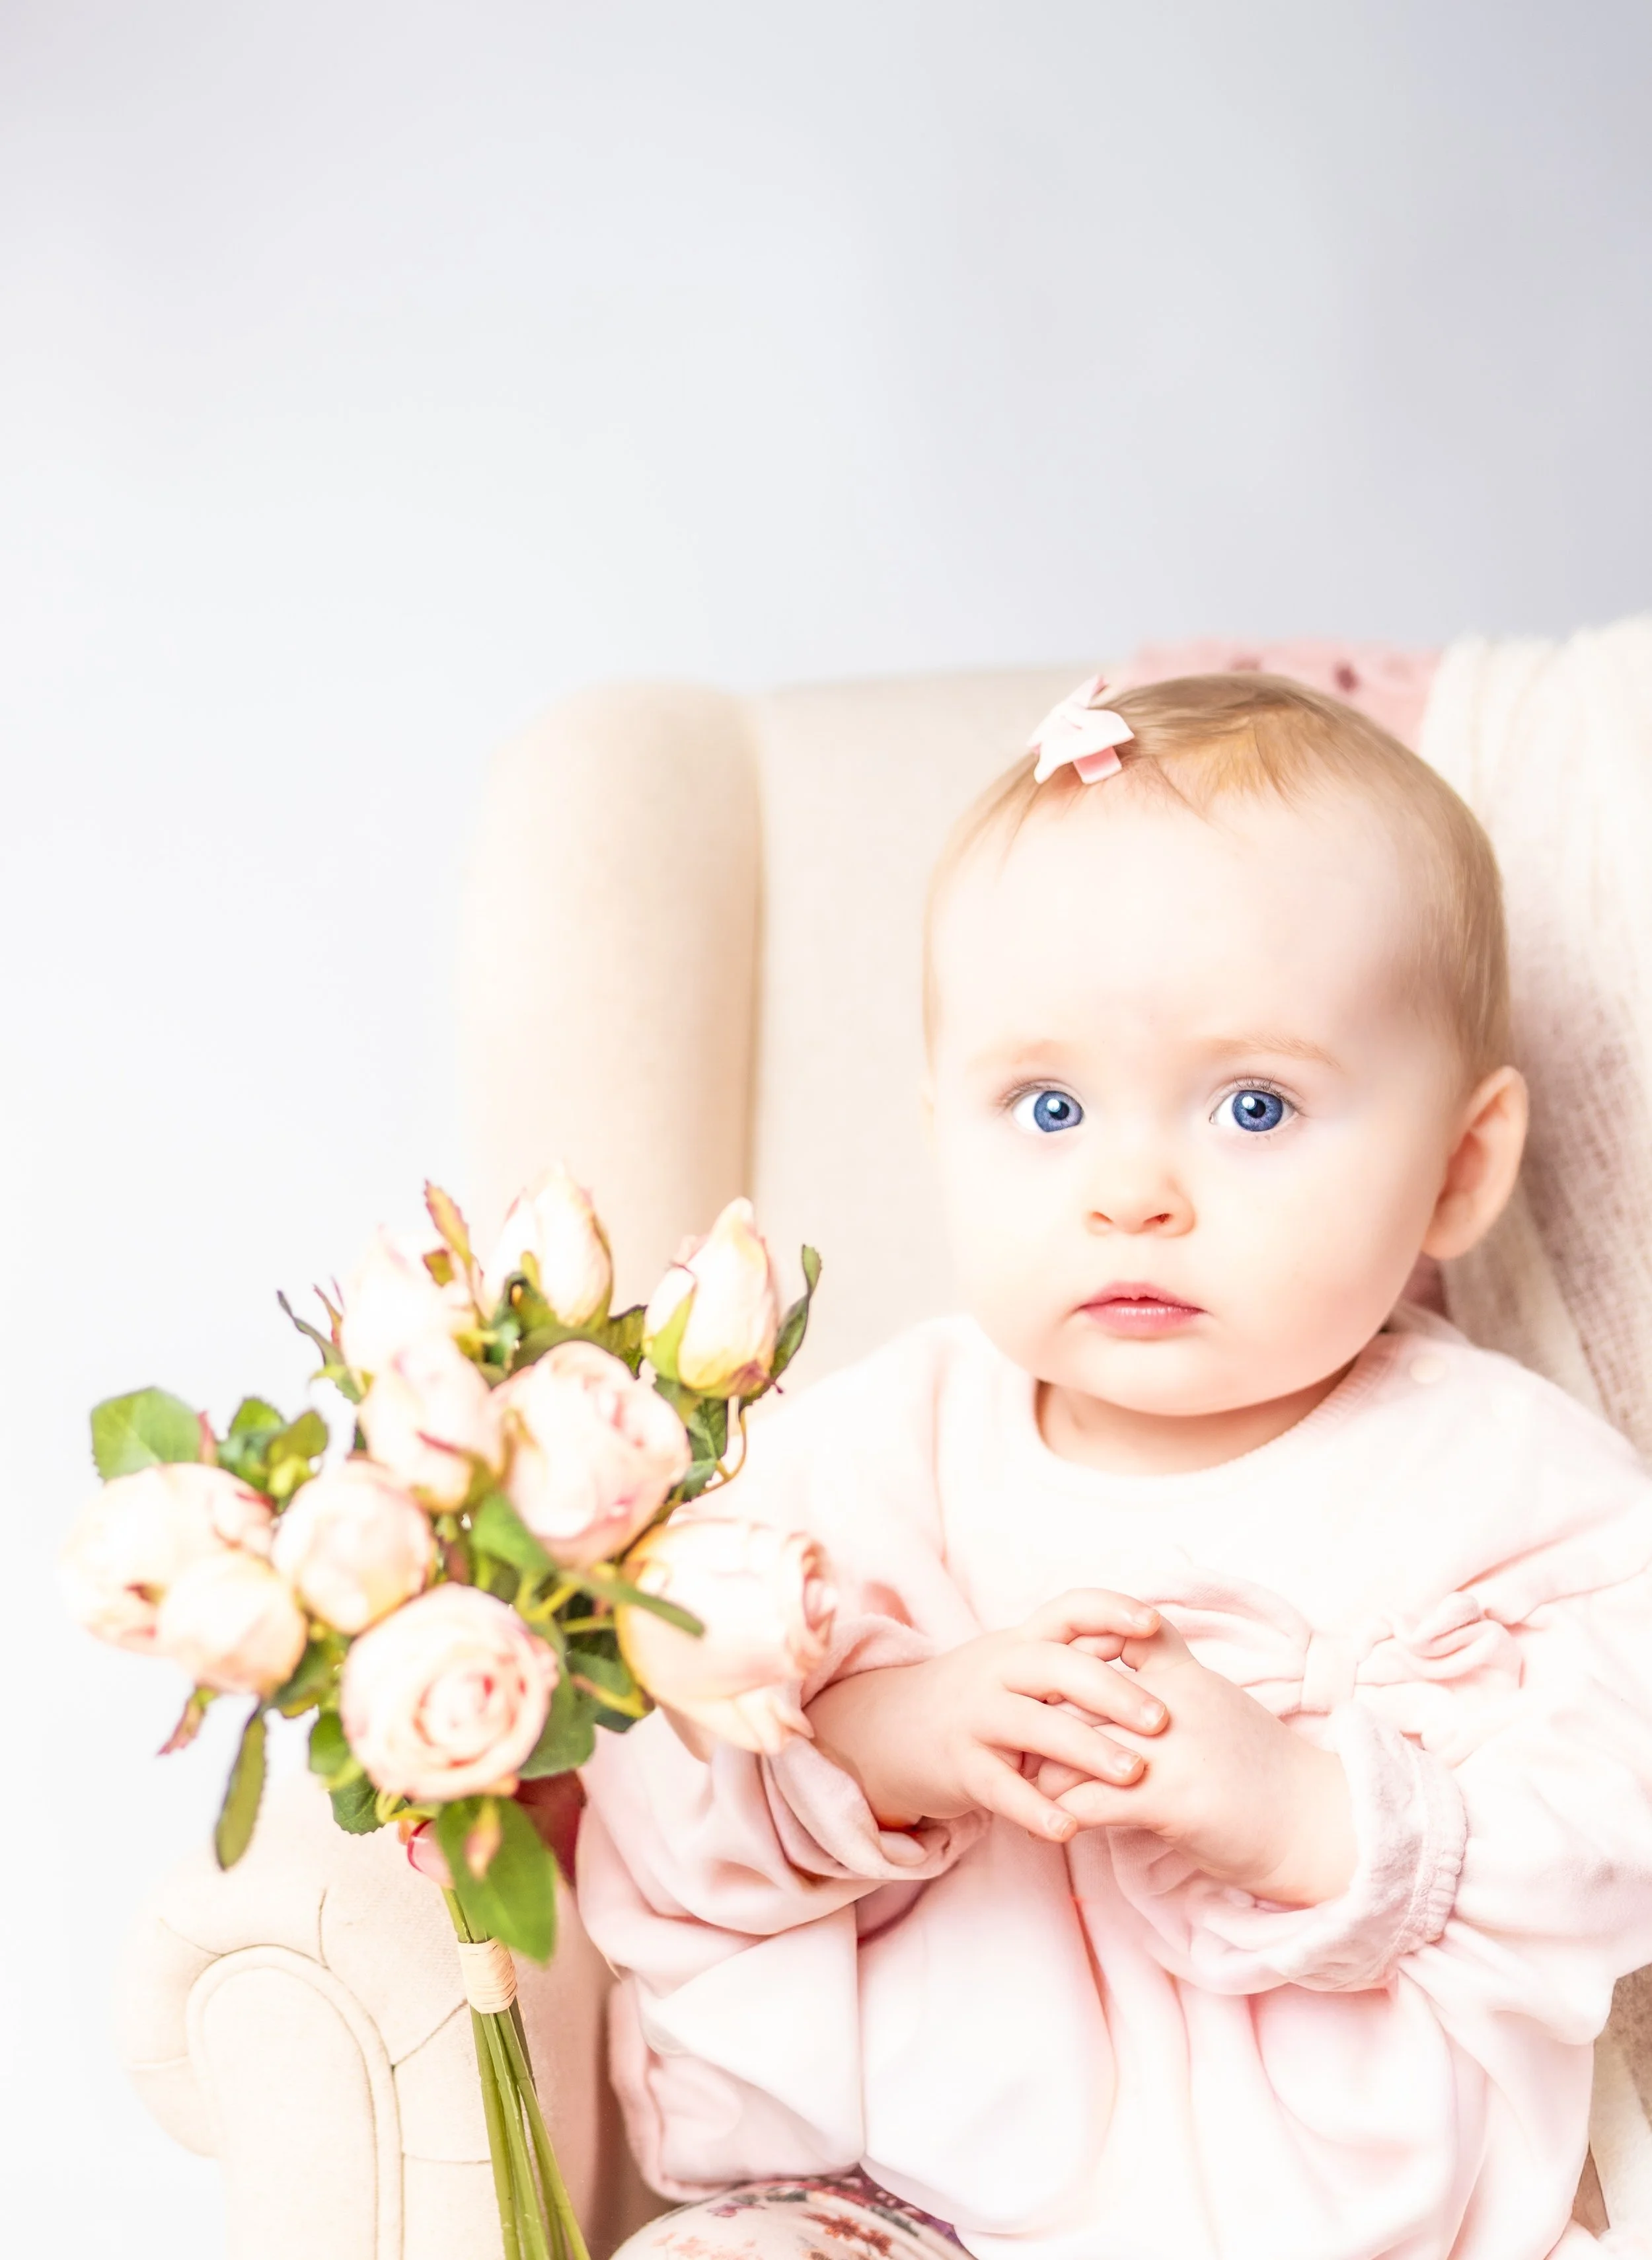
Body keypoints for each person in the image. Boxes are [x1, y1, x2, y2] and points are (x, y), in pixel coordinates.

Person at [577, 673, 1652, 2260]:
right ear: (939, 1123)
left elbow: (1608, 1813)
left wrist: (1303, 1811)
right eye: (1051, 1105)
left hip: (1363, 2234)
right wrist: (897, 1733)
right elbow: (660, 1781)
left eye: (1251, 1103)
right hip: (892, 2203)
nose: (1131, 1190)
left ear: (1457, 1171)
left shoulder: (1503, 1485)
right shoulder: (884, 1445)